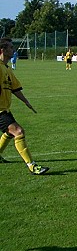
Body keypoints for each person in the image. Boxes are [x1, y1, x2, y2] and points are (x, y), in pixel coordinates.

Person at [0, 38, 49, 174]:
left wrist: (26, 102)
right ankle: (32, 166)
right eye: (10, 47)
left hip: (5, 109)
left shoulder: (7, 69)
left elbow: (15, 88)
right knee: (18, 132)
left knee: (8, 133)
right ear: (2, 50)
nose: (13, 49)